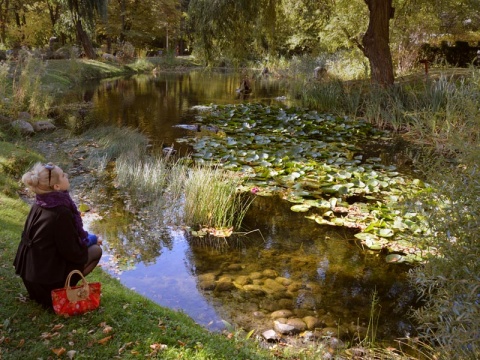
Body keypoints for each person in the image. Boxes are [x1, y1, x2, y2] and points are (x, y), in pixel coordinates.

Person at [13, 162, 102, 309]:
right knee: (96, 251)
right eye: (62, 175)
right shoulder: (60, 212)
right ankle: (64, 291)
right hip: (46, 287)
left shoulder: (40, 203)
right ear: (57, 187)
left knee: (89, 245)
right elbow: (73, 252)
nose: (66, 176)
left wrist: (89, 239)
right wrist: (93, 239)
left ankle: (59, 287)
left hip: (32, 279)